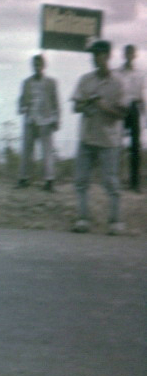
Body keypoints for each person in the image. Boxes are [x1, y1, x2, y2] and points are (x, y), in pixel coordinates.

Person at [71, 39, 127, 235]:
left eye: (98, 54)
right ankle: (83, 219)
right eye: (93, 55)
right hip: (87, 137)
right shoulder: (85, 80)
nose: (94, 59)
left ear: (107, 56)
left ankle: (115, 221)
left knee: (111, 182)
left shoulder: (118, 82)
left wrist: (104, 107)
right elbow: (75, 106)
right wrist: (87, 102)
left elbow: (123, 113)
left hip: (108, 140)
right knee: (81, 181)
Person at [16, 55, 60, 191]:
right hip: (30, 120)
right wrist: (22, 107)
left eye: (39, 65)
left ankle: (49, 181)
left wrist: (56, 119)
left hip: (46, 121)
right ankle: (24, 179)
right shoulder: (27, 82)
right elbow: (21, 100)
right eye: (34, 65)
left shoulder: (51, 82)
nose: (37, 68)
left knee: (47, 152)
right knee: (27, 151)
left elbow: (55, 102)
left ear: (43, 66)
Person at [118, 44, 145, 192]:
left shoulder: (140, 74)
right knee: (116, 143)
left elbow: (141, 96)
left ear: (134, 55)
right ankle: (116, 179)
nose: (129, 56)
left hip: (134, 109)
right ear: (124, 55)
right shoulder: (117, 73)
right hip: (121, 108)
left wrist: (144, 116)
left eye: (131, 53)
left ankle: (134, 183)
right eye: (127, 53)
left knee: (135, 146)